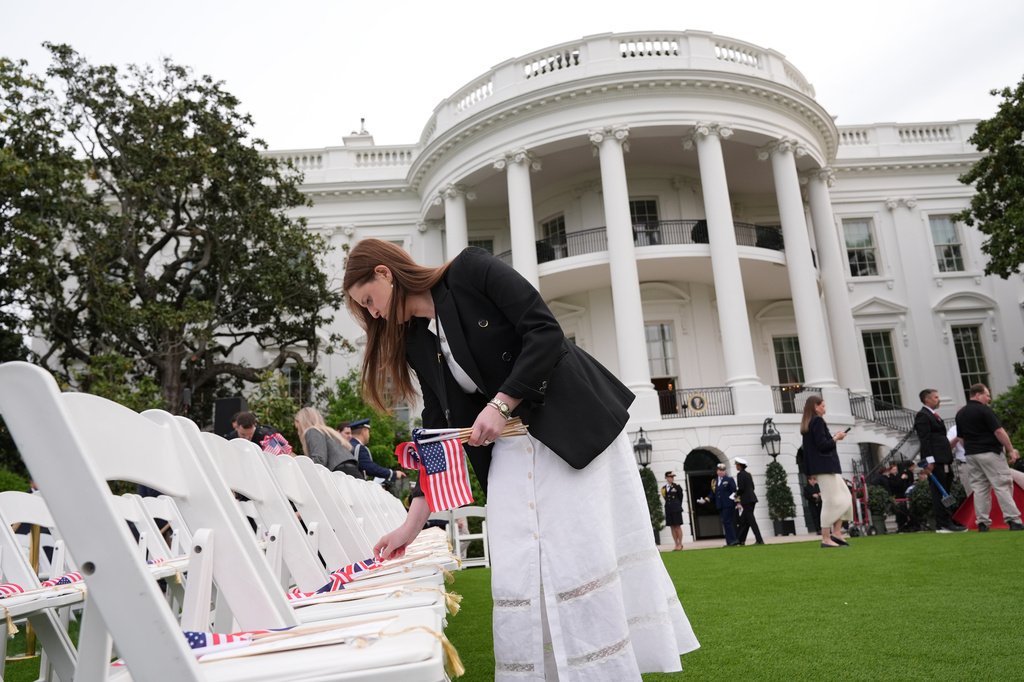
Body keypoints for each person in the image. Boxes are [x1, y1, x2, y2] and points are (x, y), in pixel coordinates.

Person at [343, 239, 698, 678]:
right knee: (517, 570)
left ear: (384, 273)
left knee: (579, 558)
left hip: (568, 428)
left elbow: (545, 331)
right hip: (510, 447)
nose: (373, 314)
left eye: (369, 301)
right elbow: (437, 431)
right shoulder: (417, 341)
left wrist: (502, 402)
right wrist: (413, 522)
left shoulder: (470, 271)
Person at [954, 383, 1024, 532]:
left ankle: (982, 522)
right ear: (978, 395)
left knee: (979, 488)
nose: (989, 398)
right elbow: (999, 431)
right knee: (1002, 484)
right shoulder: (985, 410)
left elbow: (961, 439)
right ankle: (1013, 520)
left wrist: (971, 450)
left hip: (971, 455)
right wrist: (1011, 450)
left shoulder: (961, 413)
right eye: (987, 395)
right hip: (990, 452)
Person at [800, 396, 852, 548]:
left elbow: (821, 444)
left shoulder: (812, 422)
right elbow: (823, 446)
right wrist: (836, 437)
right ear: (816, 406)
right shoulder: (816, 421)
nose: (825, 408)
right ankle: (825, 538)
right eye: (823, 405)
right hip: (824, 467)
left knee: (845, 497)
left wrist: (833, 437)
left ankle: (836, 533)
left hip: (826, 467)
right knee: (830, 501)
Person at [915, 388, 967, 533]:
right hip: (936, 460)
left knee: (946, 490)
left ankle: (946, 520)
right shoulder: (922, 416)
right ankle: (942, 523)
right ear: (927, 399)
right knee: (939, 491)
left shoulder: (933, 415)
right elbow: (924, 440)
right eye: (936, 397)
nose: (939, 400)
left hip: (944, 459)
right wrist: (929, 461)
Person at [294, 407, 362, 479]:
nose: (298, 433)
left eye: (298, 428)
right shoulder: (327, 432)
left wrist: (299, 465)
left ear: (303, 423)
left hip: (341, 476)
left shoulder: (312, 431)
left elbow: (319, 461)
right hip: (351, 474)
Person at [348, 418, 405, 484]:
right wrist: (393, 474)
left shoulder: (347, 445)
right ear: (364, 431)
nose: (369, 435)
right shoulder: (359, 448)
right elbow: (371, 468)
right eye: (369, 432)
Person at [696, 463, 739, 547]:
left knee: (727, 521)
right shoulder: (714, 481)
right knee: (725, 522)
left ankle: (733, 540)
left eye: (723, 470)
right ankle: (730, 541)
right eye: (720, 470)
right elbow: (713, 493)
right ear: (717, 471)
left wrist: (738, 502)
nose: (722, 472)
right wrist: (705, 500)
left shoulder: (729, 479)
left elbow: (734, 492)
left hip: (728, 503)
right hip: (720, 504)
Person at [733, 457, 764, 545]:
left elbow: (741, 488)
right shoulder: (748, 474)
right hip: (752, 499)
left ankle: (759, 539)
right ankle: (740, 540)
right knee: (744, 520)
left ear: (740, 466)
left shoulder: (740, 475)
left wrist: (736, 494)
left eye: (737, 465)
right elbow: (752, 487)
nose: (736, 467)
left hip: (746, 500)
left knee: (751, 520)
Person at [661, 471, 684, 551]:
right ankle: (676, 544)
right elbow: (665, 498)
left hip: (676, 508)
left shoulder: (677, 486)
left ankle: (680, 543)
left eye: (673, 477)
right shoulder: (664, 488)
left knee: (678, 526)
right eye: (670, 477)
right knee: (672, 527)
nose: (672, 478)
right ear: (667, 478)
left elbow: (680, 497)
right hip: (669, 508)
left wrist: (677, 505)